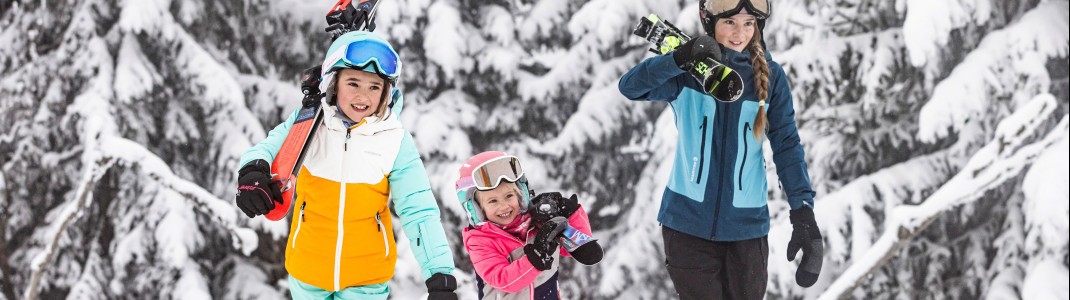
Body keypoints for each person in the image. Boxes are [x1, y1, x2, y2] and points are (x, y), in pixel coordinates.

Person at [618, 0, 824, 299]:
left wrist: (802, 212)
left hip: (747, 232)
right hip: (687, 227)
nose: (739, 33)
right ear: (709, 21)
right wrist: (678, 59)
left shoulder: (772, 77)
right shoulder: (688, 73)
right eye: (729, 22)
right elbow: (630, 87)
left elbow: (787, 144)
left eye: (748, 23)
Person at [233, 31, 458, 300]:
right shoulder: (309, 122)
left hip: (366, 278)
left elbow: (418, 209)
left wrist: (440, 275)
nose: (363, 96)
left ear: (386, 92)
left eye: (374, 87)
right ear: (334, 83)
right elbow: (267, 149)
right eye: (353, 83)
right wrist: (252, 172)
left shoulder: (395, 140)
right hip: (308, 272)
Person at [455, 151, 603, 300]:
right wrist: (535, 257)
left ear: (521, 195)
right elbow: (502, 280)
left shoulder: (536, 221)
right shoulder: (480, 241)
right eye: (493, 201)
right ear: (477, 208)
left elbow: (577, 249)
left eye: (509, 196)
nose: (504, 206)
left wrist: (571, 215)